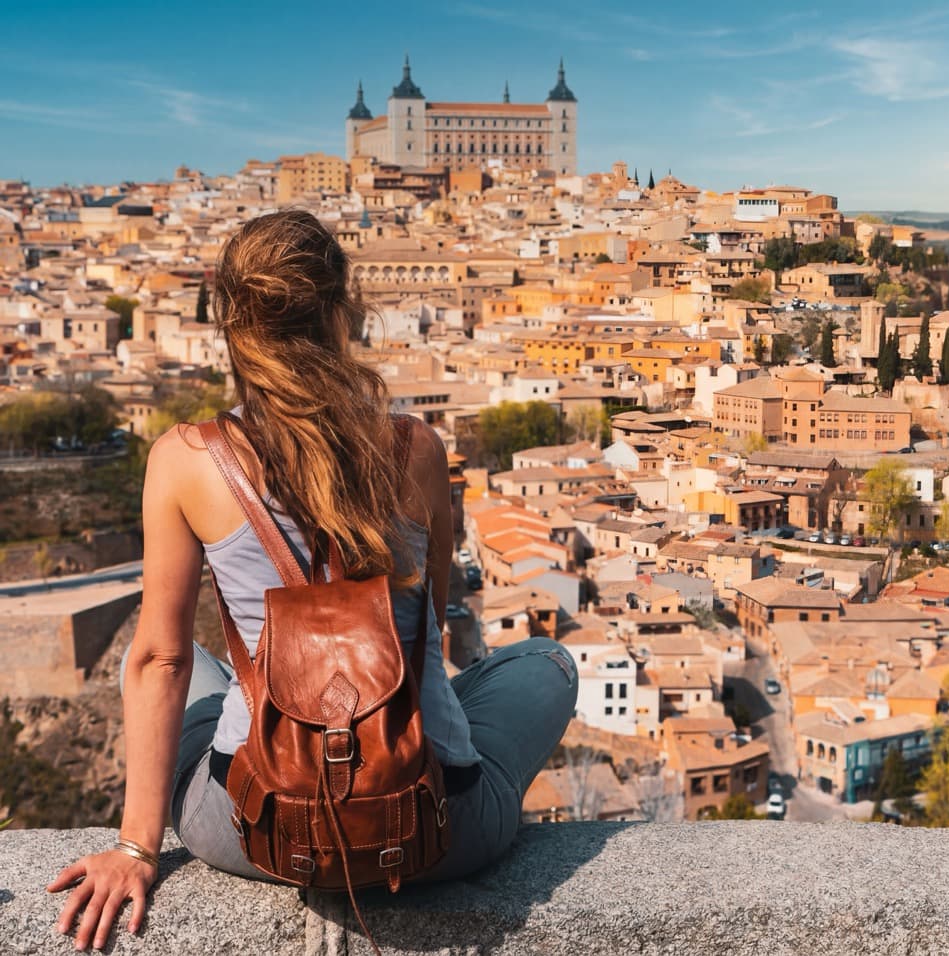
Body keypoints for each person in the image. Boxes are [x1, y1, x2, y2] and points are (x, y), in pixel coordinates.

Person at [47, 211, 579, 951]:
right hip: (438, 830)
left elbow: (159, 661)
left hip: (254, 831)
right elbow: (432, 613)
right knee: (546, 662)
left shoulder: (185, 459)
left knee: (195, 664)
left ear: (231, 322)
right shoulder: (416, 448)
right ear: (340, 313)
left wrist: (138, 847)